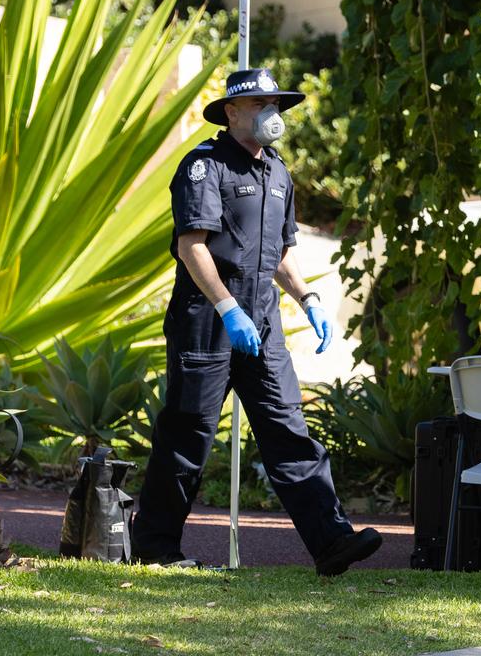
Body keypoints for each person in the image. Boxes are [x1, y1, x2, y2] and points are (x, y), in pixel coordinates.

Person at [132, 68, 382, 576]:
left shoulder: (278, 171)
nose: (273, 114)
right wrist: (227, 308)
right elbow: (191, 246)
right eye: (261, 104)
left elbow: (282, 253)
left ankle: (332, 543)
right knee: (188, 435)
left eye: (276, 104)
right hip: (207, 319)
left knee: (288, 429)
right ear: (232, 112)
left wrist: (308, 297)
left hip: (262, 323)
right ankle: (155, 548)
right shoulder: (205, 167)